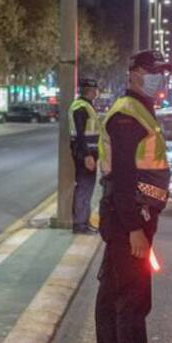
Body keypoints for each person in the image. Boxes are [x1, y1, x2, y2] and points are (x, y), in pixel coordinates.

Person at [95, 50, 172, 343]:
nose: (157, 77)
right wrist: (134, 229)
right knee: (133, 303)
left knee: (110, 300)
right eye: (150, 70)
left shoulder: (139, 110)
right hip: (129, 221)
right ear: (132, 73)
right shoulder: (128, 116)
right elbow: (124, 177)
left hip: (126, 219)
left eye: (161, 71)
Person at [68, 78, 100, 234]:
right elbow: (80, 134)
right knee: (84, 188)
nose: (97, 93)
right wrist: (87, 155)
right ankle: (80, 224)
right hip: (85, 154)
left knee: (86, 188)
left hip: (88, 152)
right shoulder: (81, 108)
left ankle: (83, 222)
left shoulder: (86, 106)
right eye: (95, 90)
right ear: (91, 91)